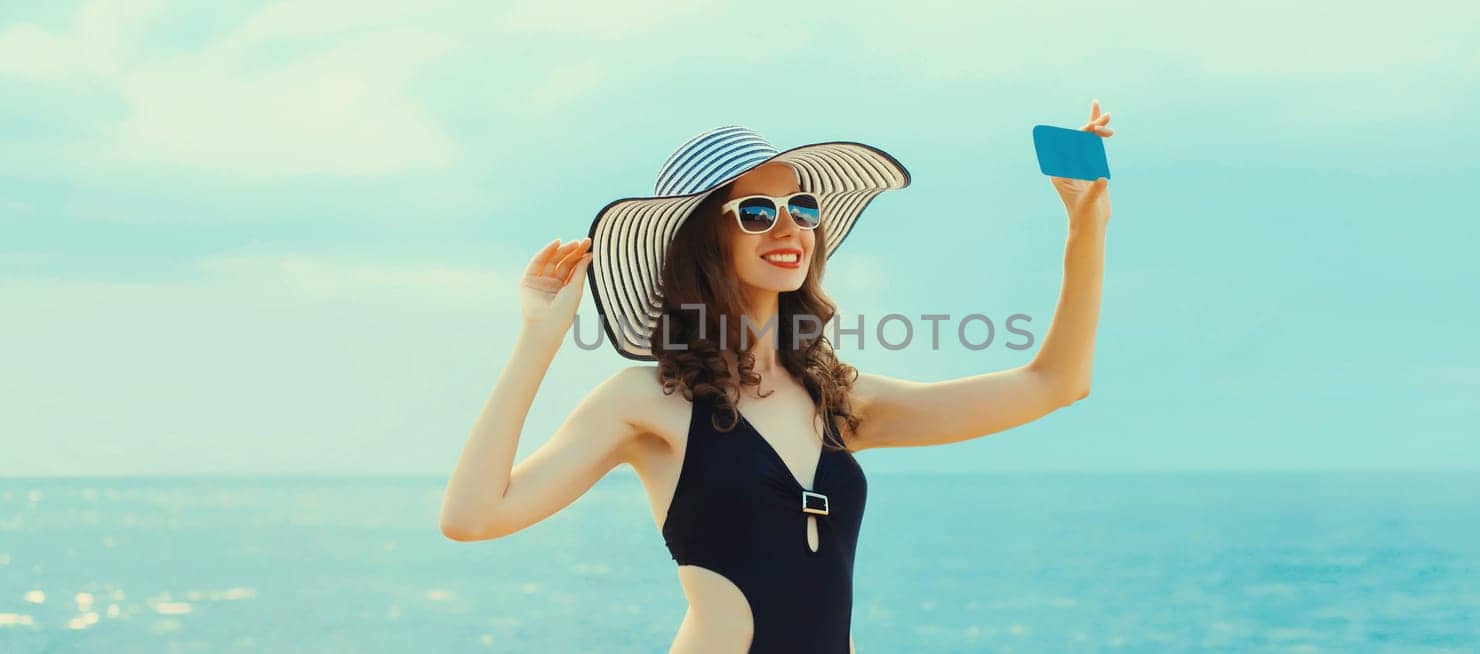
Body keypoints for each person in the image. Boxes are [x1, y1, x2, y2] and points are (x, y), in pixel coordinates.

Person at [440, 101, 1115, 653]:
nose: (788, 226)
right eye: (757, 213)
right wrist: (538, 338)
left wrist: (1087, 226)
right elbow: (472, 519)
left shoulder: (839, 399)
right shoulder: (647, 400)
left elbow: (1055, 384)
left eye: (802, 208)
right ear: (707, 239)